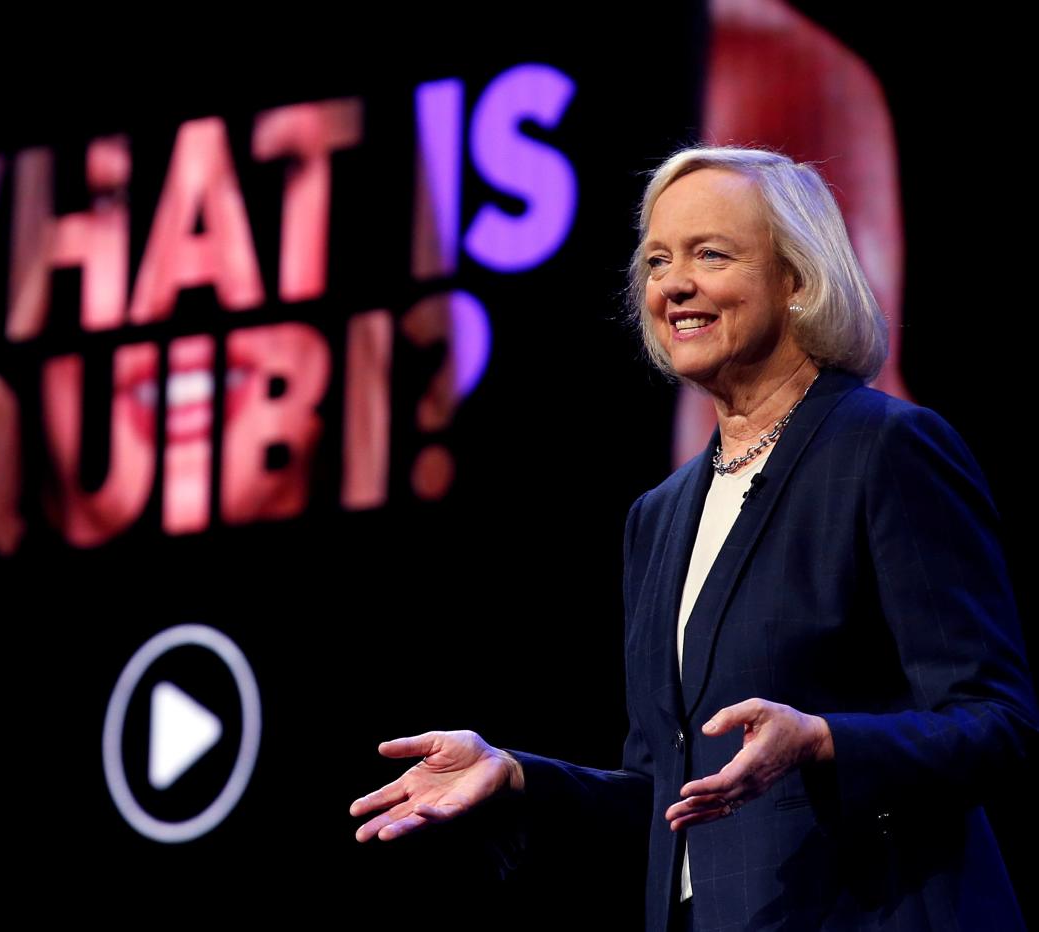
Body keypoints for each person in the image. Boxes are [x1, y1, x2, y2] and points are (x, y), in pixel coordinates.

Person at [350, 146, 1038, 930]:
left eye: (711, 255)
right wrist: (517, 778)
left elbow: (996, 723)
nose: (673, 284)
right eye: (656, 260)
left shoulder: (887, 449)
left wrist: (822, 742)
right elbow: (666, 798)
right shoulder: (660, 515)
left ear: (797, 280)